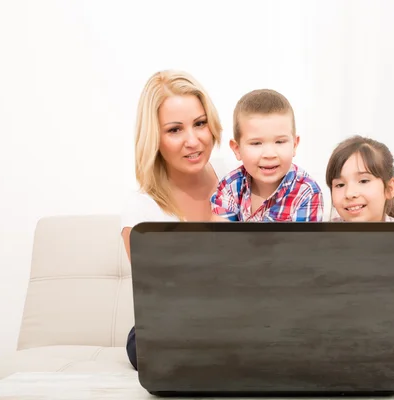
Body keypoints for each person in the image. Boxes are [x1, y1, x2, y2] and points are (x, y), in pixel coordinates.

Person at [121, 69, 230, 370]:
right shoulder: (141, 212)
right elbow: (164, 302)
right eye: (174, 130)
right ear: (154, 138)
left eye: (200, 124)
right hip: (175, 324)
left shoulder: (235, 178)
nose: (193, 141)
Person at [325, 135, 394, 372]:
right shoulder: (323, 238)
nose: (350, 193)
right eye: (339, 185)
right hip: (337, 342)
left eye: (363, 180)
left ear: (389, 188)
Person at [210, 89, 324, 222]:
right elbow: (221, 239)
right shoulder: (230, 185)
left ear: (294, 145)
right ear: (237, 149)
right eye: (256, 143)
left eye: (280, 142)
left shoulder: (306, 192)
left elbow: (303, 242)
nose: (269, 154)